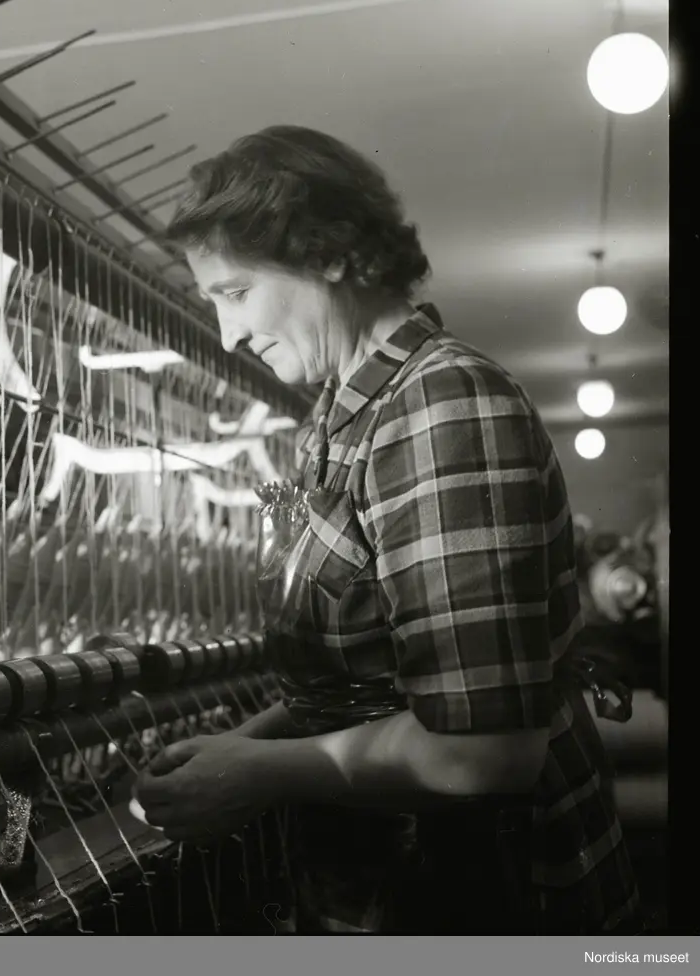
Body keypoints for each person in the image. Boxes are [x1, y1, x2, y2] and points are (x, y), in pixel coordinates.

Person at [134, 125, 641, 934]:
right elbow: (367, 678)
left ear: (329, 254)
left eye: (235, 293)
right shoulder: (335, 425)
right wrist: (243, 743)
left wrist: (259, 771)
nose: (228, 335)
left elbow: (484, 751)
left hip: (488, 898)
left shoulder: (442, 406)